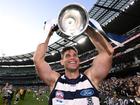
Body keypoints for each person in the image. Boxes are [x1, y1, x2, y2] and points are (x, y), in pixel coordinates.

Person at [33, 24, 114, 105]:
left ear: (79, 60)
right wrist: (48, 34)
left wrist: (87, 28)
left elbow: (107, 52)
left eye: (75, 55)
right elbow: (38, 60)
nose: (72, 58)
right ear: (61, 61)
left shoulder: (91, 78)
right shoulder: (55, 81)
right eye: (67, 55)